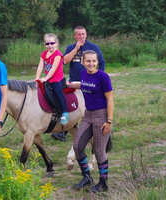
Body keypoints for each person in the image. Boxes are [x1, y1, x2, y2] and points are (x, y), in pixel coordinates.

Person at [67, 50, 113, 193]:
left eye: (93, 61)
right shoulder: (83, 74)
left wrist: (109, 121)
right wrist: (69, 85)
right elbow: (84, 85)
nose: (91, 63)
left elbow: (110, 99)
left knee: (99, 151)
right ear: (83, 62)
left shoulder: (103, 77)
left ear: (97, 62)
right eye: (88, 61)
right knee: (77, 146)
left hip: (101, 116)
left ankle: (103, 183)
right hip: (87, 116)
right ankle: (87, 177)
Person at [51, 26, 105, 141]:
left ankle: (97, 129)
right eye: (79, 34)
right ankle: (63, 131)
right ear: (75, 36)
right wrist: (76, 48)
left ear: (86, 35)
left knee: (91, 108)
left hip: (89, 83)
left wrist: (99, 78)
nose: (81, 36)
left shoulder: (93, 47)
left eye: (83, 34)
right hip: (74, 83)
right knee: (69, 105)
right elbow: (64, 61)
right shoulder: (71, 47)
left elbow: (102, 63)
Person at [35, 33, 69, 125]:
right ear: (45, 44)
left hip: (56, 78)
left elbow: (53, 68)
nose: (50, 45)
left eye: (52, 43)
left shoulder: (58, 54)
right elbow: (40, 66)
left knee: (57, 91)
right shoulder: (44, 54)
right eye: (47, 44)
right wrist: (37, 77)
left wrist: (45, 78)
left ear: (56, 43)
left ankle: (65, 112)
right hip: (48, 78)